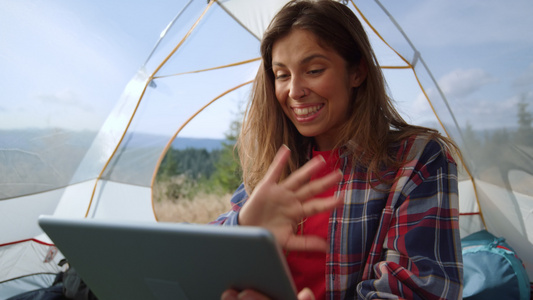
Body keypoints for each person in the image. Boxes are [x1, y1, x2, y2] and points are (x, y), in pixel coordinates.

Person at [212, 0, 463, 299]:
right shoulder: (275, 164)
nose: (294, 91)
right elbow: (202, 260)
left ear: (357, 72)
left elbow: (421, 288)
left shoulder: (417, 160)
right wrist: (240, 227)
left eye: (314, 70)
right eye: (281, 75)